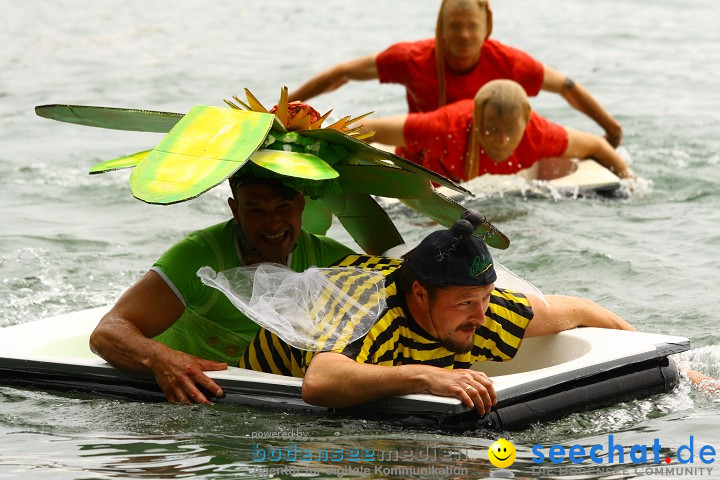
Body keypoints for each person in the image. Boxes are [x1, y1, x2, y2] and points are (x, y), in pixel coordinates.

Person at [237, 212, 639, 415]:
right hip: (253, 408)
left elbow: (581, 311)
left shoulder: (477, 305)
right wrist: (430, 377)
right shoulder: (366, 306)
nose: (479, 315)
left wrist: (674, 362)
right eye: (466, 303)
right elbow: (321, 382)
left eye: (484, 298)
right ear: (419, 294)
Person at [89, 172, 355, 404]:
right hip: (193, 399)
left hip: (285, 400)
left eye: (283, 207)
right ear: (234, 210)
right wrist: (161, 359)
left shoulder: (334, 261)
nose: (273, 223)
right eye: (255, 211)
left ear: (300, 204)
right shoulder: (197, 257)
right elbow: (106, 333)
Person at [288, 0, 623, 148]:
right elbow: (343, 73)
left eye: (472, 27)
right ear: (441, 28)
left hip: (490, 152)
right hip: (426, 153)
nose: (464, 36)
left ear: (486, 27)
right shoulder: (413, 58)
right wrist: (291, 103)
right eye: (455, 27)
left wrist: (610, 128)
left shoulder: (508, 61)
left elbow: (566, 86)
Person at [356, 79, 635, 183]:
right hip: (424, 174)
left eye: (510, 131)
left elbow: (598, 147)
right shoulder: (443, 126)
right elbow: (369, 129)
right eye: (491, 129)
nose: (502, 141)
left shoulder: (538, 134)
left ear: (524, 121)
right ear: (476, 119)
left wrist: (631, 182)